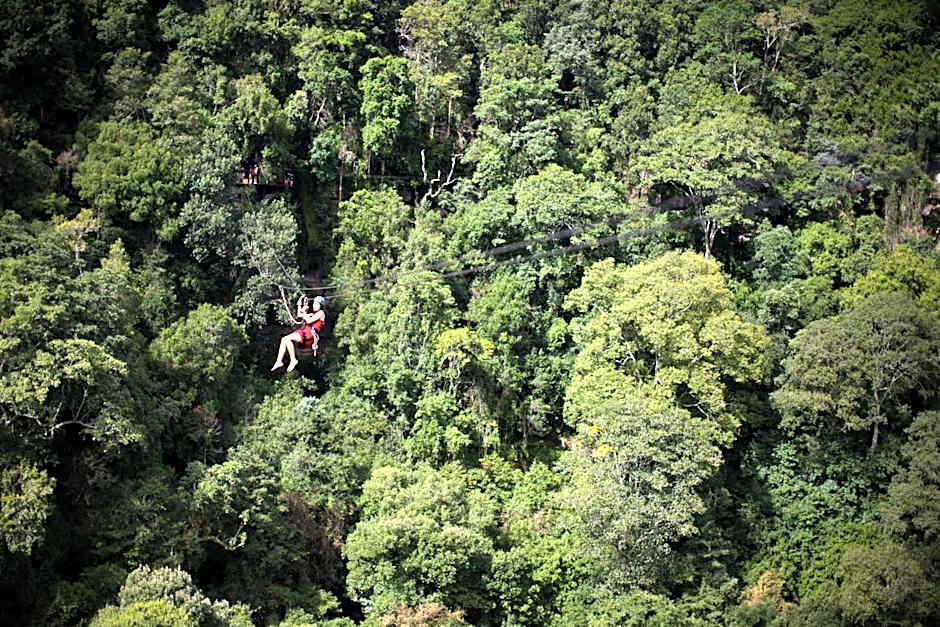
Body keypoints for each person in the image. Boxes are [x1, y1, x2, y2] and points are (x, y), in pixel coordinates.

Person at [271, 295, 326, 372]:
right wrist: (299, 305)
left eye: (316, 304)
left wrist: (304, 312)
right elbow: (299, 315)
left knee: (286, 338)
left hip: (309, 334)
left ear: (321, 306)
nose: (314, 305)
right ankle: (279, 361)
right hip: (306, 332)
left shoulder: (321, 313)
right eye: (314, 303)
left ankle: (293, 360)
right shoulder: (312, 314)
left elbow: (309, 320)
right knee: (284, 339)